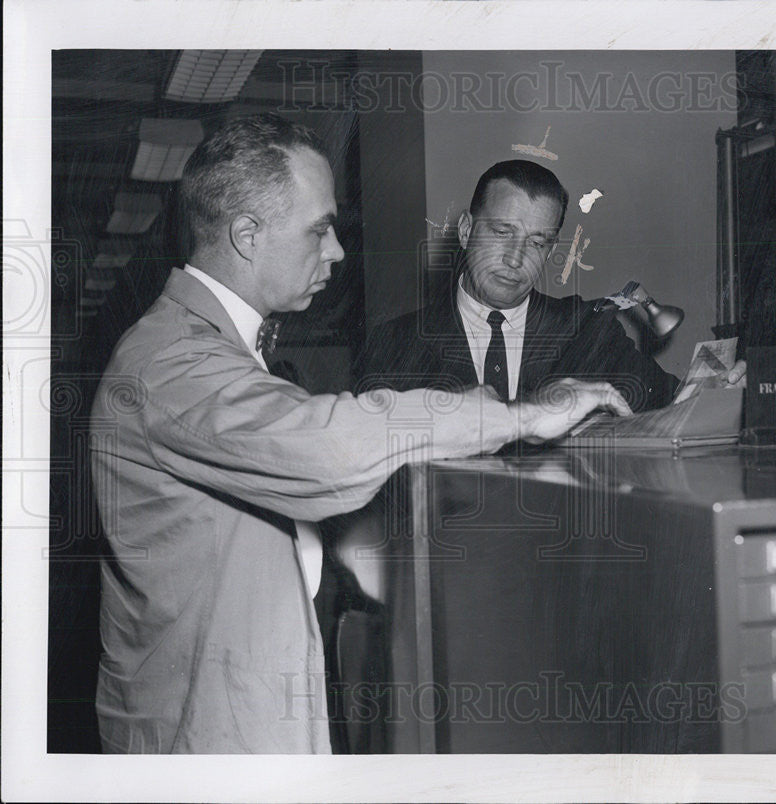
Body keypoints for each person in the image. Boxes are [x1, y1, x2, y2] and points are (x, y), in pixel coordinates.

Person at [89, 115, 629, 754]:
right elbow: (326, 447)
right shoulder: (171, 363)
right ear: (246, 236)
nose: (337, 251)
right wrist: (521, 415)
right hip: (210, 737)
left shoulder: (214, 347)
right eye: (319, 230)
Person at [356, 160, 743, 412]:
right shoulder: (394, 345)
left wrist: (718, 395)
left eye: (538, 242)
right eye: (502, 232)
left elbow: (674, 406)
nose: (515, 257)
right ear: (465, 231)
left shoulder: (586, 332)